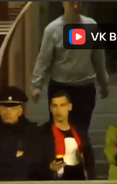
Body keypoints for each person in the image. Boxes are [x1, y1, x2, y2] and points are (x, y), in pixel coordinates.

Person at [31, 1, 109, 133]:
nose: (75, 5)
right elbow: (43, 60)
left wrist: (103, 83)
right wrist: (36, 86)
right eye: (71, 2)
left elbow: (99, 58)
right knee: (60, 130)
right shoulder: (52, 29)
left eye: (79, 2)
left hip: (85, 88)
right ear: (64, 3)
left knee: (81, 131)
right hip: (60, 88)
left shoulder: (91, 26)